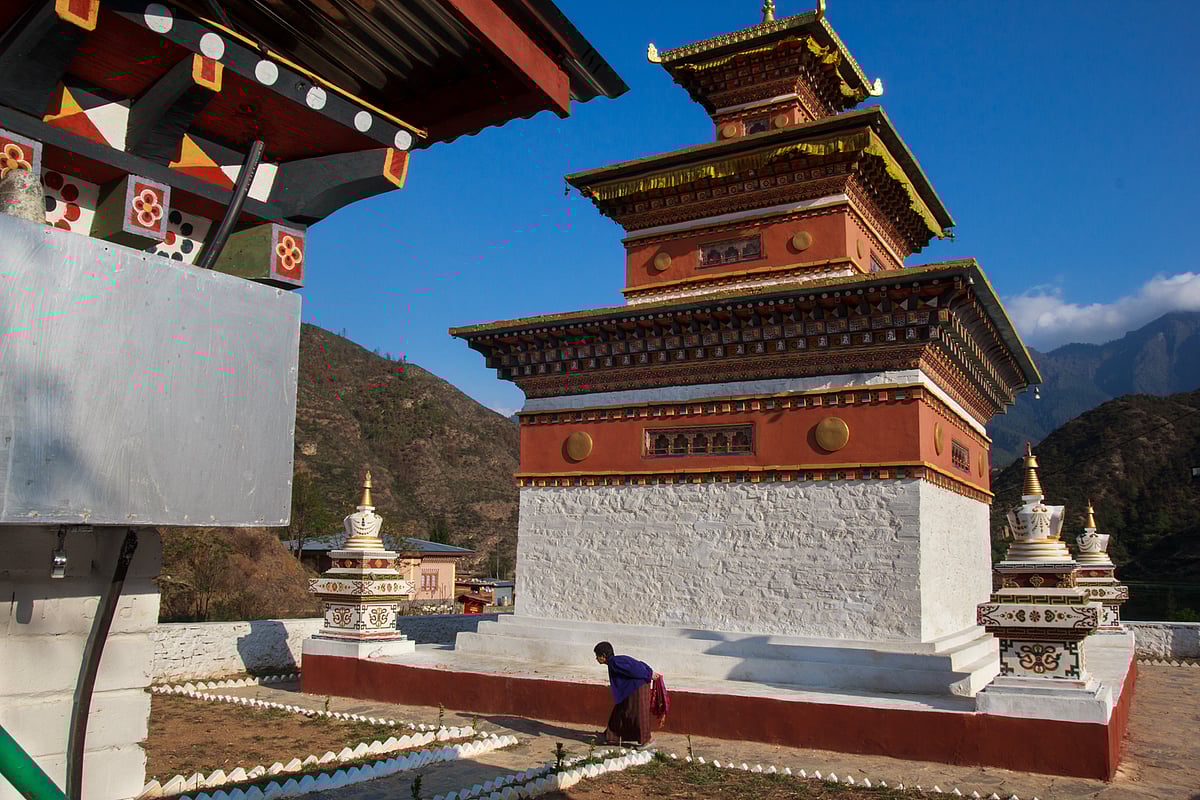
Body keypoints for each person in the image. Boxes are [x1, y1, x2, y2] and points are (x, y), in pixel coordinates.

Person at [593, 641, 661, 747]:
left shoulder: (615, 662)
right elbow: (638, 663)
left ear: (604, 656)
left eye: (597, 656)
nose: (596, 659)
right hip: (630, 689)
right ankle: (610, 736)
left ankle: (646, 741)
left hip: (638, 687)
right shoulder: (614, 661)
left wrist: (649, 674)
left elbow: (635, 669)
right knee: (620, 711)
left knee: (638, 714)